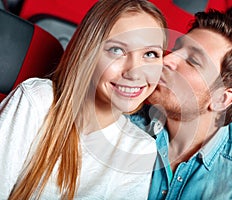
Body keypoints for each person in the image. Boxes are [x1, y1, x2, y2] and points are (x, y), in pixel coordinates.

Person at [0, 0, 167, 199]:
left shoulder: (141, 148)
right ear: (89, 52)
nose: (135, 72)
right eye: (117, 50)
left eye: (150, 54)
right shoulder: (36, 101)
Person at [130, 9, 232, 199]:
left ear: (221, 99)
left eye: (193, 61)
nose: (167, 59)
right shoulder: (124, 120)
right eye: (176, 48)